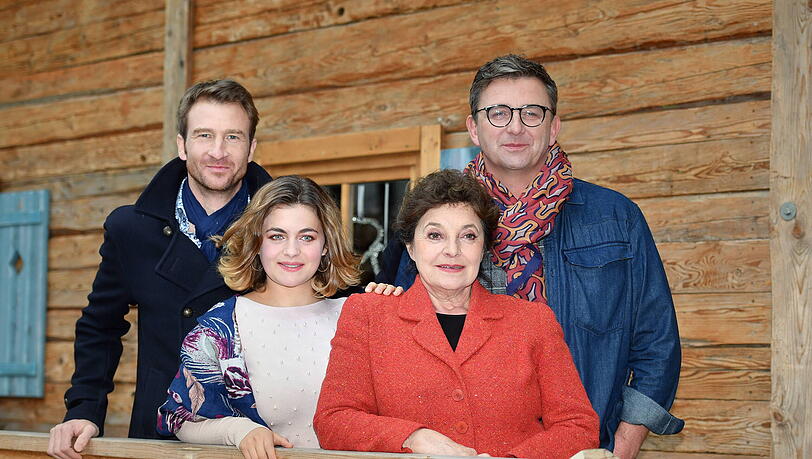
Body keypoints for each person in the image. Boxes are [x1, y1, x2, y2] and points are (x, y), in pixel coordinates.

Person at [374, 55, 684, 457]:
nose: (516, 127)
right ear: (473, 127)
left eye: (532, 113)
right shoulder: (432, 221)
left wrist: (618, 449)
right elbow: (404, 337)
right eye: (498, 113)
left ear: (553, 126)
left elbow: (657, 343)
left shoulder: (615, 218)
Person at [48, 79, 272, 459]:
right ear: (182, 145)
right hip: (160, 436)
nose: (218, 151)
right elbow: (100, 325)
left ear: (251, 148)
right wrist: (84, 409)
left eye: (233, 137)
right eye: (204, 135)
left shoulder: (284, 229)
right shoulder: (131, 229)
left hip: (263, 436)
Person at [315, 169, 599, 459]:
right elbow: (334, 420)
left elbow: (578, 426)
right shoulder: (368, 315)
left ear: (484, 247)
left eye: (468, 236)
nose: (452, 250)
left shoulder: (533, 322)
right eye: (435, 235)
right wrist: (412, 437)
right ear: (411, 247)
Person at [157, 176, 360, 459]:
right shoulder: (219, 328)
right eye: (276, 236)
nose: (292, 251)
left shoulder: (358, 317)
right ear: (257, 243)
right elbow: (178, 418)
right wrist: (237, 430)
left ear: (326, 245)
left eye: (307, 237)